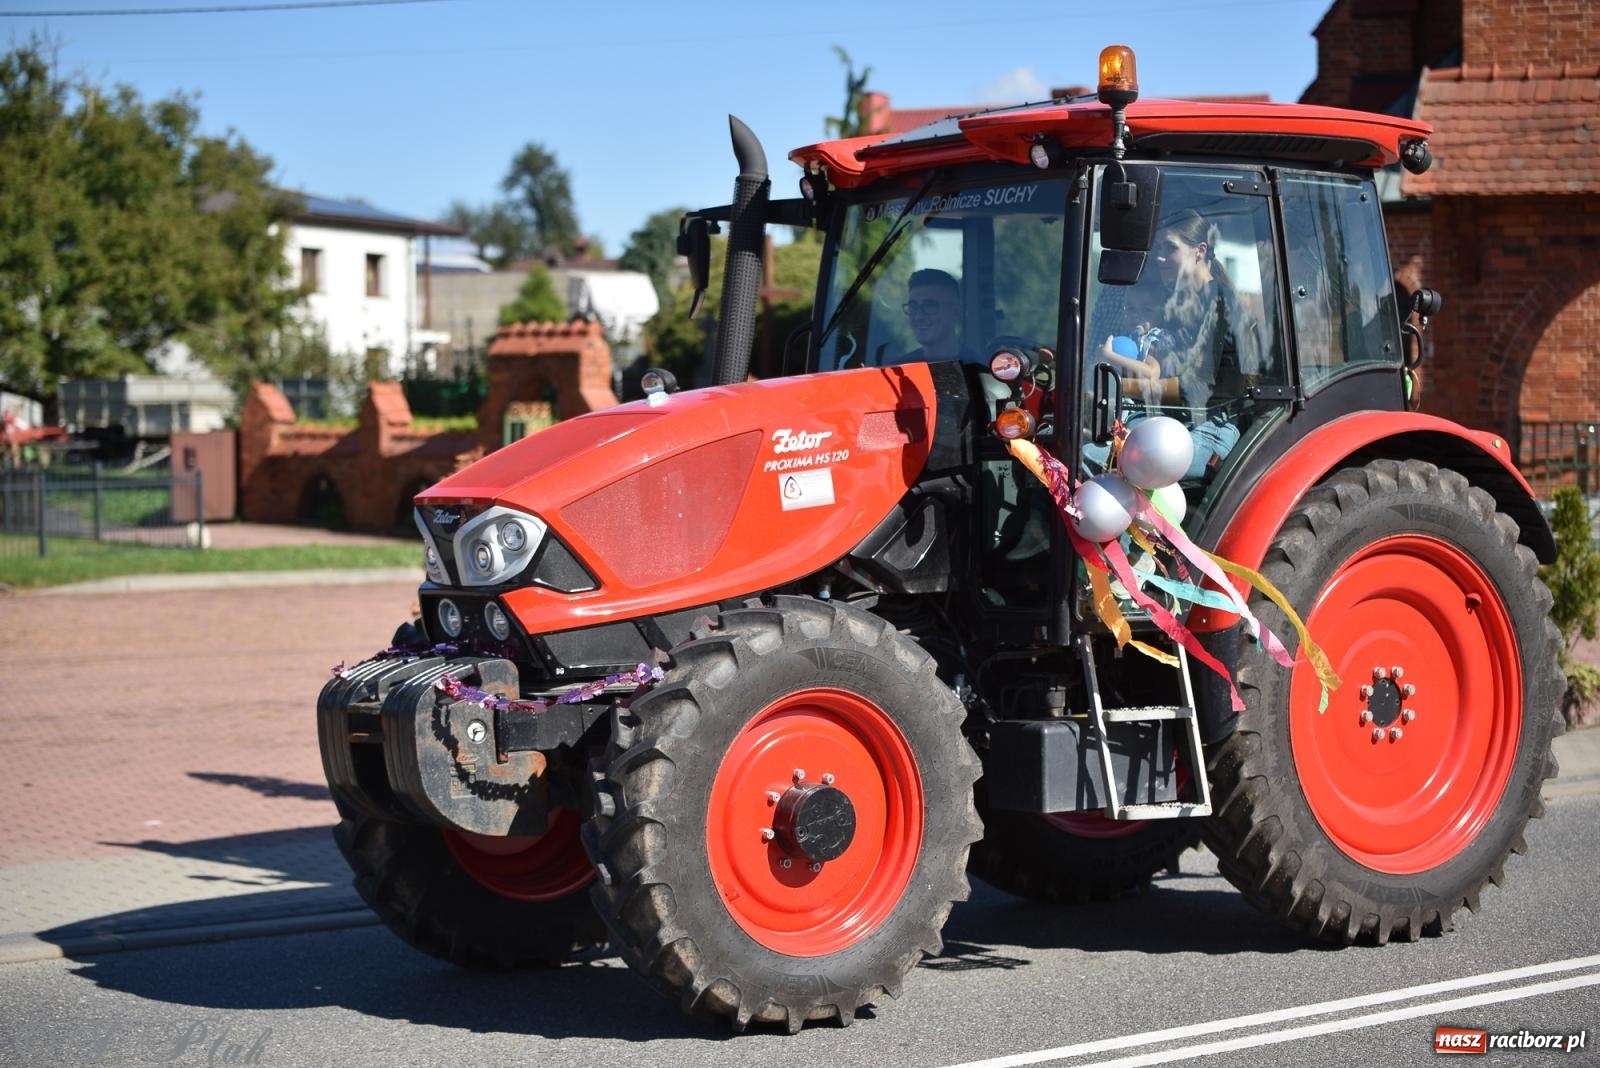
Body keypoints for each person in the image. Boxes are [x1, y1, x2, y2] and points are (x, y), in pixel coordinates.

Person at [888, 268, 980, 365]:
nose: (919, 317)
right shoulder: (897, 373)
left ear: (955, 312)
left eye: (929, 306)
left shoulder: (981, 372)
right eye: (913, 306)